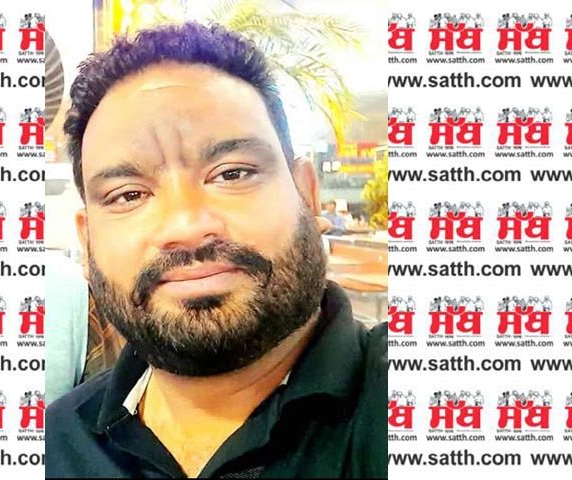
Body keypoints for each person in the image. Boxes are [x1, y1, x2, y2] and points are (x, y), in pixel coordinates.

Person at [45, 22, 387, 478]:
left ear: (307, 195)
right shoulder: (55, 447)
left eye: (232, 173)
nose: (187, 226)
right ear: (88, 240)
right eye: (129, 195)